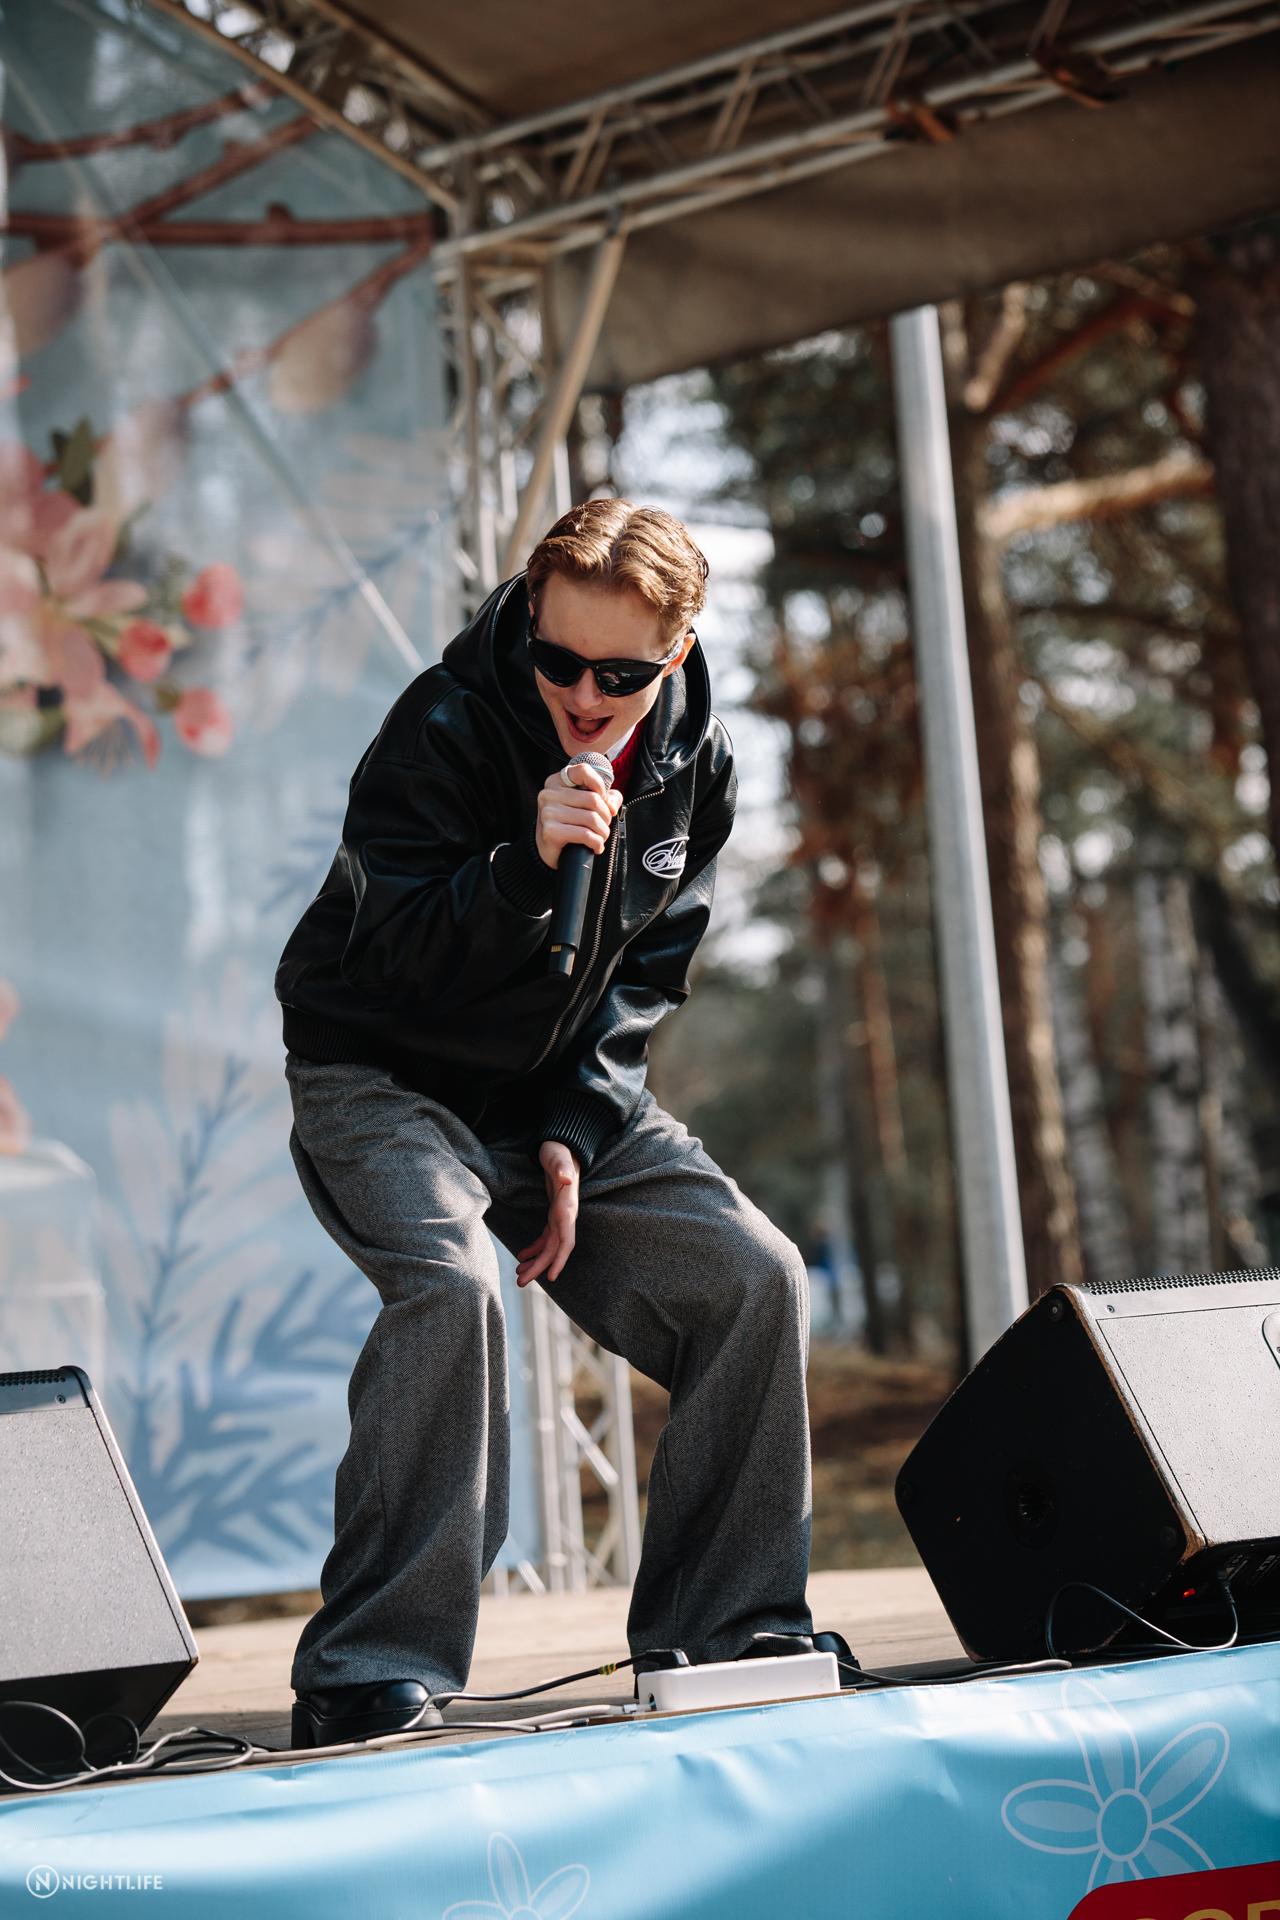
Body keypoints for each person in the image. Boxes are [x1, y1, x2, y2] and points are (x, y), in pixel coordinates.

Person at [275, 499, 827, 1749]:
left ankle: (727, 1631)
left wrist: (577, 1125)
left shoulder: (697, 762)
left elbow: (649, 971)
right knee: (450, 1281)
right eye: (558, 659)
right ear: (529, 616)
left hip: (550, 1090)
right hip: (381, 1073)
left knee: (753, 1277)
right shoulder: (439, 724)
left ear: (677, 653)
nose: (582, 695)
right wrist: (521, 870)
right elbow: (387, 958)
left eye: (619, 675)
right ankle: (369, 1667)